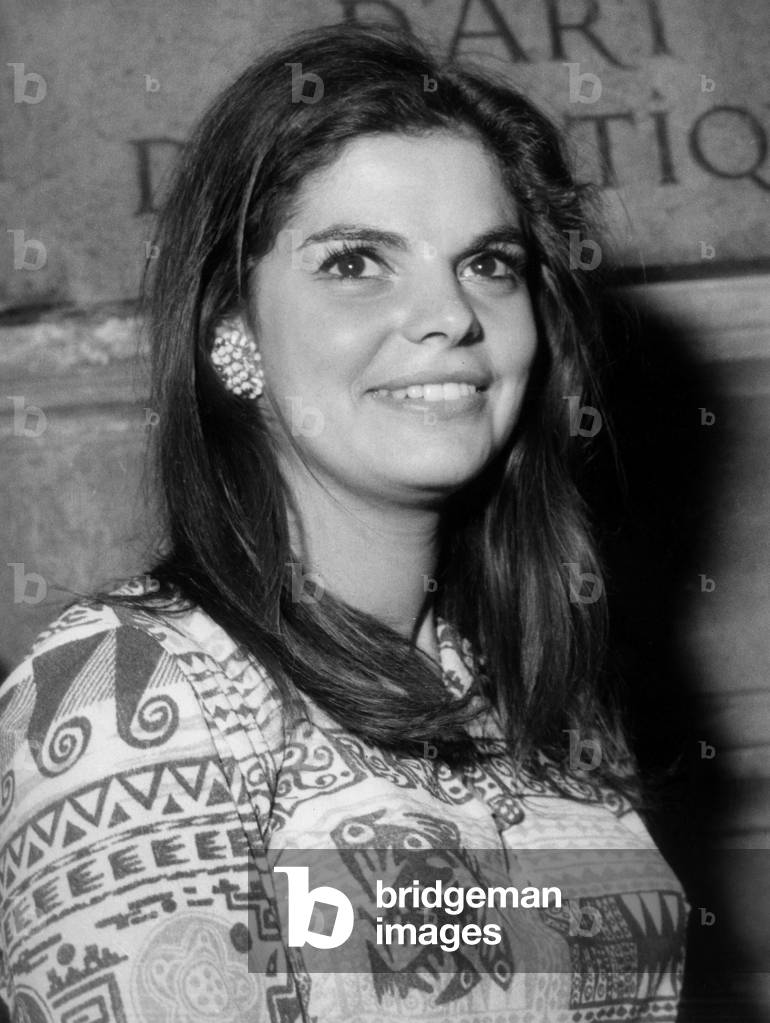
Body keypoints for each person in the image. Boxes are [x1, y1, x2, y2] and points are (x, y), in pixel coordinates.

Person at [0, 22, 688, 1022]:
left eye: (487, 262)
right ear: (231, 333)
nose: (449, 313)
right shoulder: (129, 693)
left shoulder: (537, 693)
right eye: (357, 260)